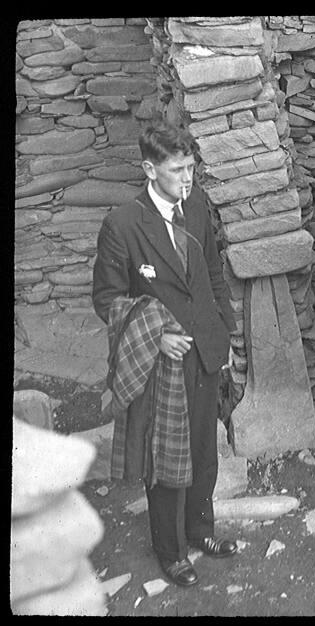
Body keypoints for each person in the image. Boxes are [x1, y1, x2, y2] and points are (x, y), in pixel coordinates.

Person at [92, 120, 238, 587]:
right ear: (149, 169)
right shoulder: (123, 225)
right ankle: (170, 551)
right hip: (163, 363)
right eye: (177, 170)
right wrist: (154, 336)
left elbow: (214, 275)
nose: (188, 179)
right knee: (167, 461)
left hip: (205, 353)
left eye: (191, 167)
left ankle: (201, 532)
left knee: (203, 452)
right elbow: (107, 298)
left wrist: (226, 337)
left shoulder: (196, 206)